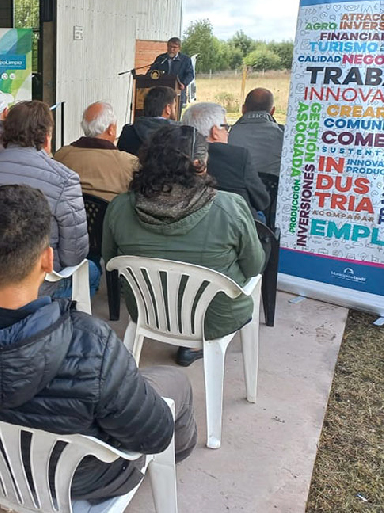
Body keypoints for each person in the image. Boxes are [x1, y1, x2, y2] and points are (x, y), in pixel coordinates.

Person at [0, 185, 196, 502]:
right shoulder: (92, 345)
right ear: (47, 261)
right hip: (87, 479)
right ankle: (175, 462)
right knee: (175, 383)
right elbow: (154, 436)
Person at [103, 125, 264, 367]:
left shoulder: (119, 207)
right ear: (201, 164)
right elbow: (253, 267)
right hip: (215, 318)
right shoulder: (230, 207)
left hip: (147, 312)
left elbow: (109, 259)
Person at [0, 100, 99, 297]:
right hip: (40, 285)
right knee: (91, 271)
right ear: (47, 138)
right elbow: (74, 255)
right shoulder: (65, 179)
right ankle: (62, 322)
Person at [181, 102, 270, 216]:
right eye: (226, 127)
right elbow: (262, 201)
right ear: (215, 131)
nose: (228, 132)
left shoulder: (176, 154)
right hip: (233, 226)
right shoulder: (238, 156)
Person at [53, 101, 138, 201]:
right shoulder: (129, 163)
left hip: (69, 215)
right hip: (109, 216)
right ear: (111, 129)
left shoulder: (61, 155)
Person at [228, 87, 284, 176]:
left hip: (235, 187)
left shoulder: (228, 134)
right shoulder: (284, 135)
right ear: (272, 111)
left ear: (243, 109)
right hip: (271, 188)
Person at [117, 86, 178, 157]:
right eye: (174, 107)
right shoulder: (178, 135)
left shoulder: (128, 132)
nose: (175, 111)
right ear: (168, 109)